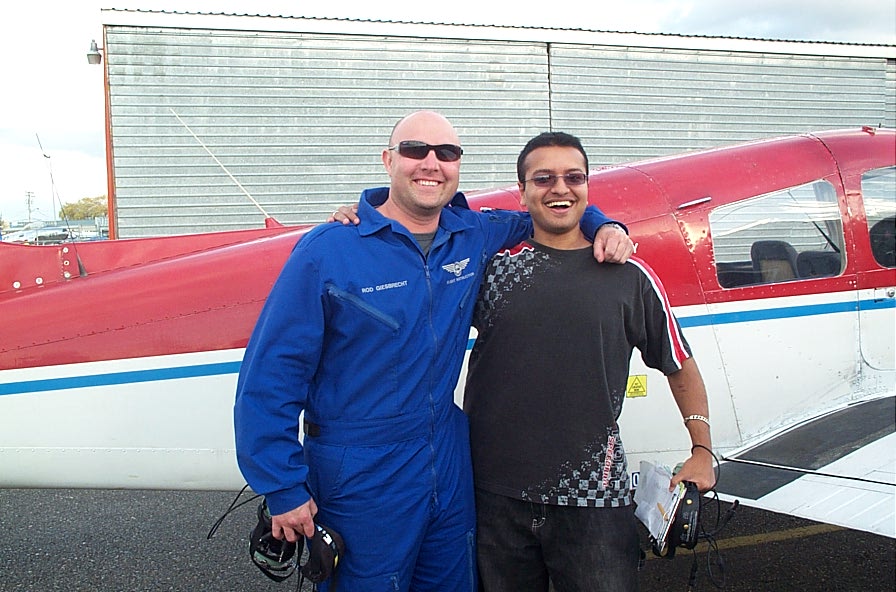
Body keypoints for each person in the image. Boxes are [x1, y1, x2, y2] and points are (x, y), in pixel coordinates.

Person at [233, 111, 633, 592]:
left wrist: (603, 221)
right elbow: (271, 377)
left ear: (458, 166)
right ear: (388, 161)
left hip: (446, 453)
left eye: (447, 153)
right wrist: (281, 485)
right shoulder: (327, 251)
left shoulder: (471, 234)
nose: (431, 164)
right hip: (361, 467)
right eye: (414, 150)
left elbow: (548, 210)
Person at [463, 131, 715, 592]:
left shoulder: (629, 276)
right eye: (544, 179)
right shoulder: (491, 268)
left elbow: (679, 366)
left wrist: (702, 451)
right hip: (495, 498)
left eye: (573, 177)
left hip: (595, 500)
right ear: (522, 192)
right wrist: (360, 217)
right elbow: (420, 232)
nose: (560, 188)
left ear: (586, 187)